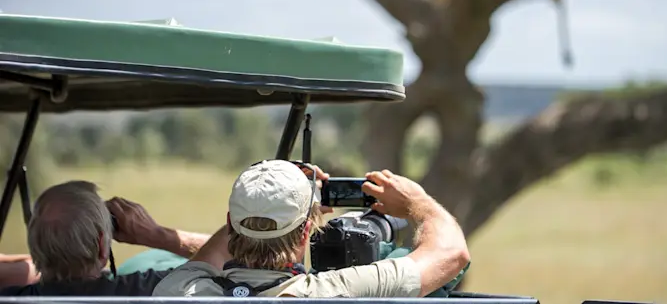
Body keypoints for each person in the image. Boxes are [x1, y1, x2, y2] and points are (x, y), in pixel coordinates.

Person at [152, 159, 470, 298]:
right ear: (306, 233)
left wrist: (268, 192)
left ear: (230, 223)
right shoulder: (337, 292)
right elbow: (452, 254)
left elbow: (209, 256)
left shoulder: (178, 290)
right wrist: (418, 202)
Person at [0, 180, 212, 296]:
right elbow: (231, 255)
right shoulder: (151, 289)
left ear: (33, 244)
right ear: (102, 246)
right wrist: (157, 235)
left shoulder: (11, 298)